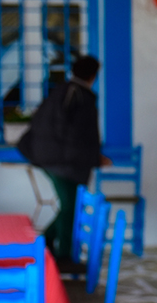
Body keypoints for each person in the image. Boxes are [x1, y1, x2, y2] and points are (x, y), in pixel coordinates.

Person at [17, 55, 110, 259]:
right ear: (94, 75)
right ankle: (65, 257)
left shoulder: (61, 91)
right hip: (64, 163)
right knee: (70, 208)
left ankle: (45, 242)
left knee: (69, 206)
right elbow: (81, 135)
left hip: (46, 158)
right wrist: (95, 158)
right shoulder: (81, 96)